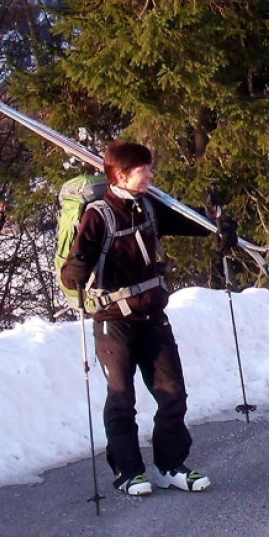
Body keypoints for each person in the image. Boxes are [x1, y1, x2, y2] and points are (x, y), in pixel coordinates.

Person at [61, 140, 237, 496]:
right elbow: (70, 275)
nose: (151, 175)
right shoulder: (98, 215)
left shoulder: (149, 206)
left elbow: (194, 223)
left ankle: (169, 466)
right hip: (114, 319)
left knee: (173, 394)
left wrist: (222, 225)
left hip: (152, 316)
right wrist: (76, 269)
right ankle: (128, 472)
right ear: (121, 176)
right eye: (144, 170)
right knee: (122, 398)